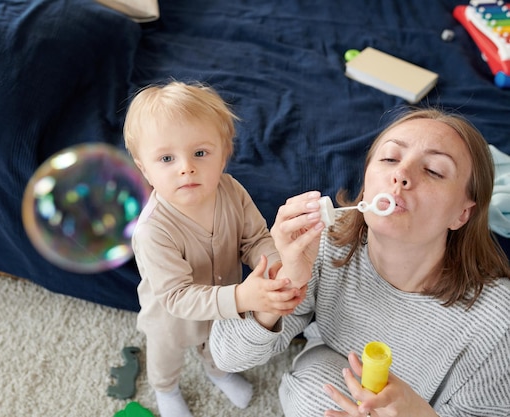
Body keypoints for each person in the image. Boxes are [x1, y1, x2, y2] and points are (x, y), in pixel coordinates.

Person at [209, 107, 510, 417]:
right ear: (367, 184)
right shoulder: (326, 245)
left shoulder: (497, 321)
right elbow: (227, 356)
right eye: (390, 159)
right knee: (311, 390)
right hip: (326, 371)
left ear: (463, 214)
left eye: (433, 170)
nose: (401, 174)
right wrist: (287, 277)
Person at [123, 81, 303, 417]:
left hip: (223, 306)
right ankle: (167, 390)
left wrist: (276, 263)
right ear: (143, 167)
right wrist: (241, 298)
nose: (186, 167)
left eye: (200, 153)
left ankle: (217, 371)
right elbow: (176, 297)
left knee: (215, 345)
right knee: (166, 357)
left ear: (224, 154)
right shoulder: (153, 231)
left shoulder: (231, 190)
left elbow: (255, 238)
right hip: (171, 318)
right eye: (166, 158)